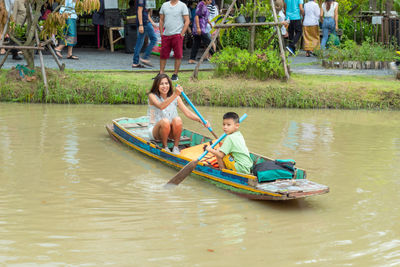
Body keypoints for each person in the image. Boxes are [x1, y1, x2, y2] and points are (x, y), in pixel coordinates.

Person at [148, 73, 210, 154]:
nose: (164, 86)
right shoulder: (152, 96)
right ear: (157, 86)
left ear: (169, 85)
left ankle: (176, 147)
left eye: (166, 83)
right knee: (165, 121)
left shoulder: (176, 97)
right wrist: (175, 94)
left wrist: (200, 120)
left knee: (178, 119)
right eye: (161, 84)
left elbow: (187, 112)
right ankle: (165, 147)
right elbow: (161, 106)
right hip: (155, 131)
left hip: (170, 131)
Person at [158, 0, 190, 81]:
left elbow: (187, 21)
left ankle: (175, 74)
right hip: (166, 34)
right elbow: (161, 20)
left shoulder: (182, 5)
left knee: (178, 55)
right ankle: (161, 73)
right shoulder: (164, 5)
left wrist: (182, 33)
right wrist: (161, 32)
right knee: (163, 55)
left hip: (177, 34)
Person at [132, 0, 158, 68]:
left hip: (145, 22)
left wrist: (152, 22)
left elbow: (145, 13)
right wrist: (141, 25)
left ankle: (135, 63)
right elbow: (139, 11)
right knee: (154, 39)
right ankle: (145, 57)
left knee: (139, 42)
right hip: (144, 23)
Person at [189, 0, 214, 64]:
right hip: (199, 28)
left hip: (202, 27)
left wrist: (211, 24)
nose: (211, 2)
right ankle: (215, 57)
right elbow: (197, 16)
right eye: (210, 0)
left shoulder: (204, 6)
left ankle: (192, 59)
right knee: (208, 42)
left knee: (196, 44)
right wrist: (198, 28)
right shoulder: (201, 5)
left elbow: (205, 17)